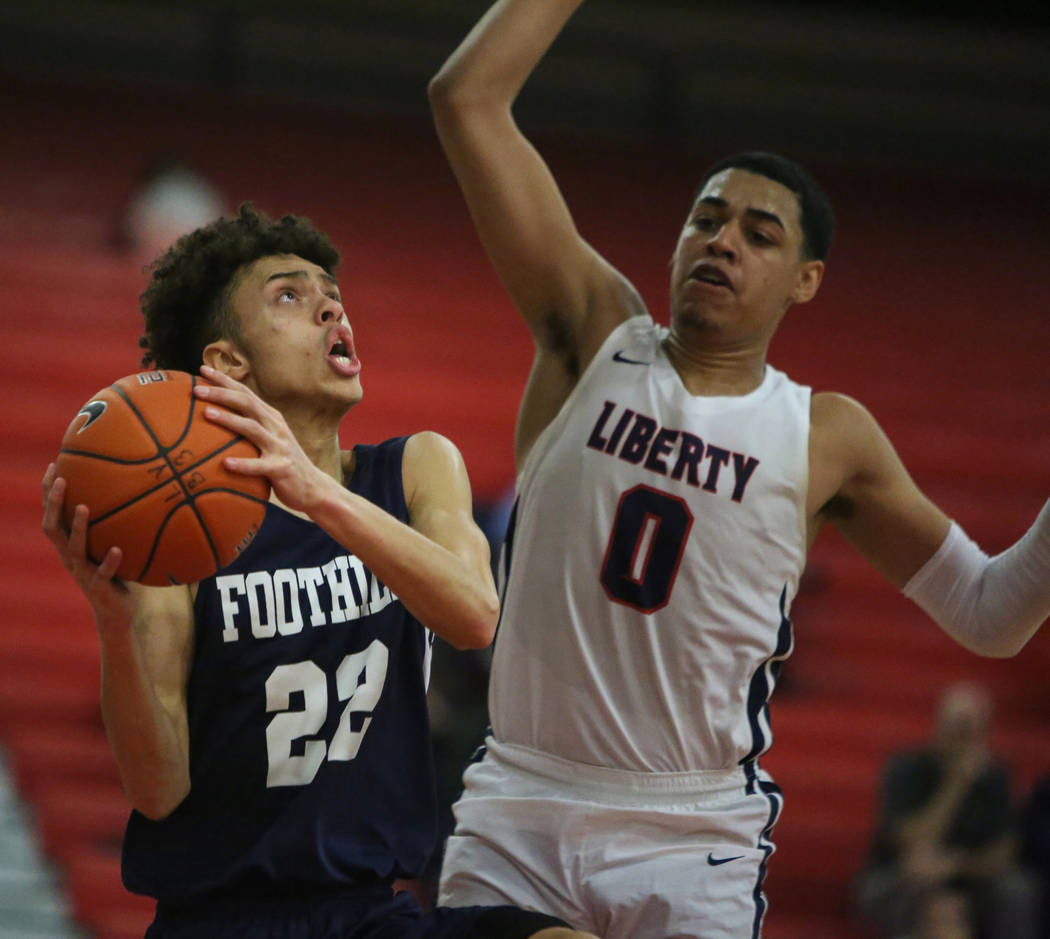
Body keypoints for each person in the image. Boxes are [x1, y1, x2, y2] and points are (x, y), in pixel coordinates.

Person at [426, 2, 1050, 936]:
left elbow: (992, 614)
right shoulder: (595, 331)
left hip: (691, 830)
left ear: (806, 280)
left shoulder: (825, 435)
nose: (722, 240)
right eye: (707, 218)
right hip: (522, 800)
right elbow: (466, 98)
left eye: (760, 234)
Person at [41, 204, 597, 939]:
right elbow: (158, 788)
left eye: (331, 292)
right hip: (220, 918)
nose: (331, 305)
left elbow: (474, 613)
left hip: (371, 911)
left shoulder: (418, 466)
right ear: (229, 364)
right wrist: (113, 619)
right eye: (289, 295)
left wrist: (315, 491)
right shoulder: (181, 536)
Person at [857, 682, 1038, 939]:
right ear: (939, 724)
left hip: (968, 873)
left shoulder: (996, 776)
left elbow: (1006, 849)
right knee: (915, 885)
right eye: (957, 727)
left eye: (970, 729)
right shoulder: (907, 768)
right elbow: (908, 840)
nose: (962, 738)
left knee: (1017, 891)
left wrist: (955, 864)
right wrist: (956, 784)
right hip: (900, 871)